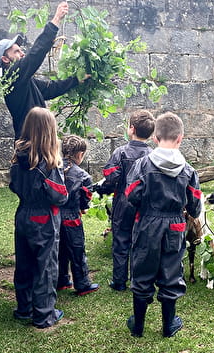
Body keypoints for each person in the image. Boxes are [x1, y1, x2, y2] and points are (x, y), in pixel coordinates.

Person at [124, 111, 202, 338]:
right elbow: (195, 207)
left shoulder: (141, 165)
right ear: (180, 138)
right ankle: (169, 325)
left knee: (142, 268)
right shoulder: (189, 171)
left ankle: (138, 325)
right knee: (171, 271)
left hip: (147, 222)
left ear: (155, 138)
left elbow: (131, 195)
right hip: (175, 225)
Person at [9, 107, 68, 329]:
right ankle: (44, 314)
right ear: (49, 131)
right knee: (46, 266)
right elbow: (59, 196)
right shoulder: (49, 163)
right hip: (44, 217)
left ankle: (24, 308)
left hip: (23, 213)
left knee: (24, 262)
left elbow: (13, 185)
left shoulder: (18, 158)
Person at [0, 2, 85, 140]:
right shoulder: (12, 78)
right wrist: (56, 20)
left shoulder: (25, 81)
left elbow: (51, 89)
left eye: (21, 49)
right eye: (16, 51)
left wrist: (77, 79)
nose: (22, 53)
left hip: (37, 145)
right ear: (5, 59)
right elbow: (35, 54)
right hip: (29, 147)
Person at [95, 110, 155, 292]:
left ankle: (119, 282)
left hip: (122, 203)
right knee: (141, 243)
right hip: (145, 207)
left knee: (121, 241)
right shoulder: (153, 155)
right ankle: (138, 280)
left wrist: (101, 189)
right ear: (151, 133)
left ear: (131, 129)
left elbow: (111, 177)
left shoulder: (121, 152)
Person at [57, 135, 99, 295]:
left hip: (54, 217)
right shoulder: (83, 176)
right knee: (77, 251)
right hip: (72, 219)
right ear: (80, 154)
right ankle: (82, 284)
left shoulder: (53, 169)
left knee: (59, 250)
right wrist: (83, 207)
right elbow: (85, 198)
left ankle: (61, 280)